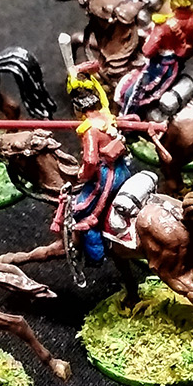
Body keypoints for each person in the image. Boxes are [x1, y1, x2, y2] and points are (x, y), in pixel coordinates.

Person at [55, 63, 131, 263]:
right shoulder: (107, 116)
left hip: (107, 178)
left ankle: (96, 255)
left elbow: (90, 160)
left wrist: (82, 174)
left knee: (80, 211)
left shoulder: (91, 130)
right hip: (122, 170)